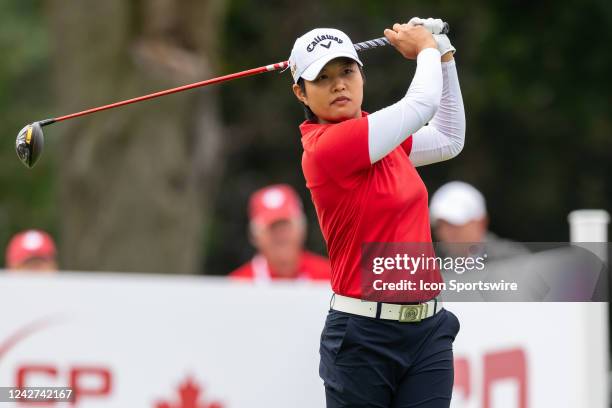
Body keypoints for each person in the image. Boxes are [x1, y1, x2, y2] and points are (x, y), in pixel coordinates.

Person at [289, 18, 465, 407]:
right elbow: (420, 105)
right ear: (301, 93)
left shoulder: (381, 138)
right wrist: (426, 49)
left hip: (427, 333)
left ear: (361, 76)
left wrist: (445, 56)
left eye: (347, 71)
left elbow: (448, 138)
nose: (339, 85)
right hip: (362, 338)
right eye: (322, 78)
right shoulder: (326, 149)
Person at [229, 184, 331, 281]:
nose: (280, 235)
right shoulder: (238, 284)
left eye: (286, 226)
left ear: (302, 228)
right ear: (255, 236)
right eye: (271, 228)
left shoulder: (329, 277)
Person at [430, 181, 530, 261]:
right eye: (440, 225)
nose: (446, 232)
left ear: (481, 222)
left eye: (455, 224)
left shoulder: (513, 259)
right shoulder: (430, 266)